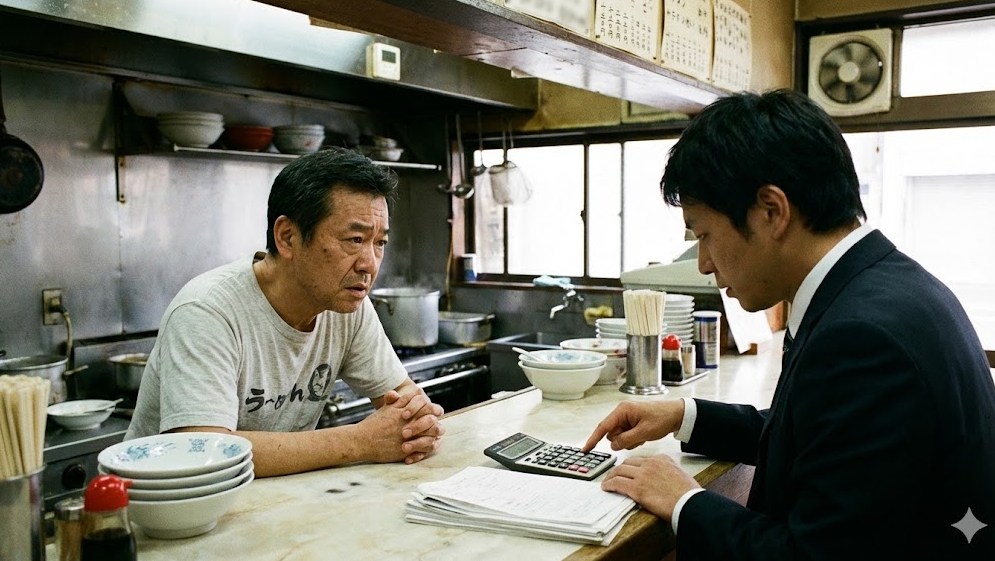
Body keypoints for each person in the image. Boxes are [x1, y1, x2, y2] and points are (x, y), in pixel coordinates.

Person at [583, 89, 995, 560]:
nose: (702, 264)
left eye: (704, 235)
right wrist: (684, 415)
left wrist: (684, 501)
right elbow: (820, 438)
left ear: (771, 211)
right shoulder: (880, 286)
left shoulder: (861, 338)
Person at [127, 147, 445, 477]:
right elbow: (203, 452)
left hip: (267, 502)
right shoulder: (208, 310)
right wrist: (360, 441)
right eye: (354, 239)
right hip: (169, 515)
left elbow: (404, 400)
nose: (370, 264)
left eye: (379, 243)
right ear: (287, 237)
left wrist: (419, 422)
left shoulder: (347, 307)